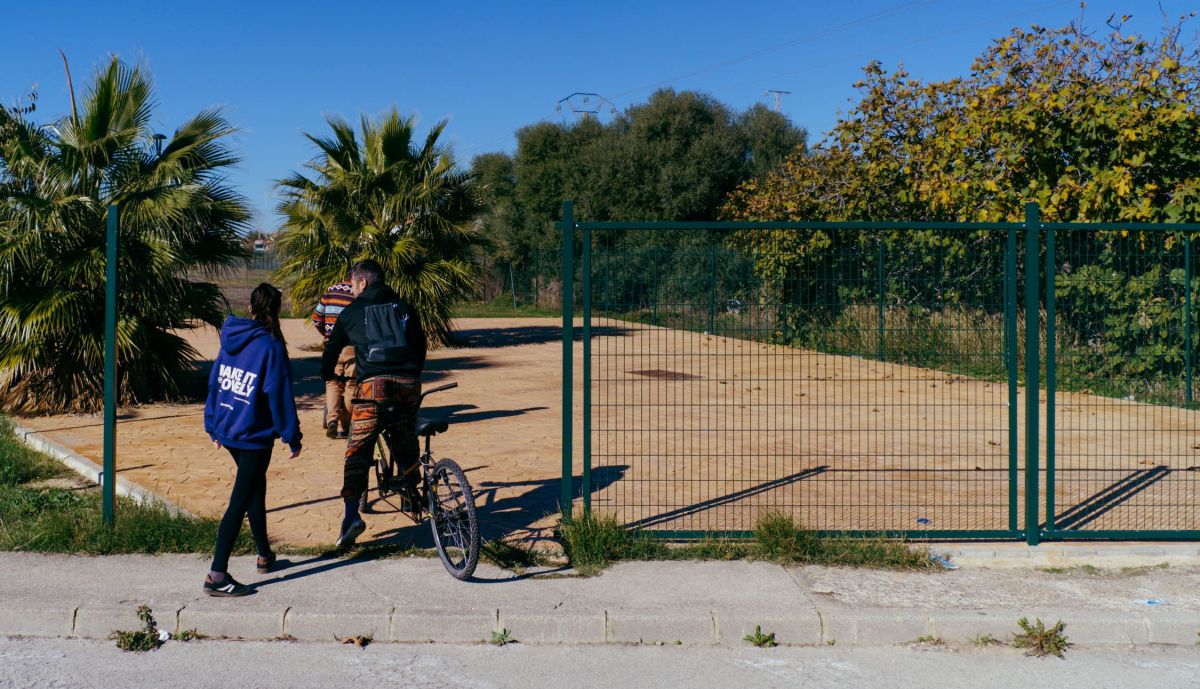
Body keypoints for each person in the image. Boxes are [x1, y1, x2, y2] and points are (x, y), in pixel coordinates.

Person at [202, 283, 302, 597]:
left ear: (251, 308)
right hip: (253, 435)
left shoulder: (230, 338)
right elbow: (279, 394)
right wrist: (291, 435)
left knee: (255, 486)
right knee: (240, 500)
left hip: (229, 429)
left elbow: (216, 382)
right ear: (276, 312)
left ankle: (264, 555)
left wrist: (213, 425)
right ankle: (217, 576)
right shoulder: (271, 347)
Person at [321, 259, 426, 549]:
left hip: (373, 387)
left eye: (353, 284)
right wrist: (412, 374)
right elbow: (420, 345)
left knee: (357, 449)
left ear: (362, 282)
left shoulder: (351, 312)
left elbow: (331, 350)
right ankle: (410, 491)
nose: (352, 289)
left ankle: (351, 517)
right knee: (405, 435)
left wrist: (327, 374)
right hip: (408, 384)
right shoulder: (404, 306)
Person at [312, 277, 356, 439]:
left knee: (333, 383)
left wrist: (326, 334)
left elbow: (316, 317)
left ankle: (332, 420)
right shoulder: (357, 293)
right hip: (353, 346)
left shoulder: (330, 291)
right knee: (351, 384)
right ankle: (347, 425)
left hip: (333, 346)